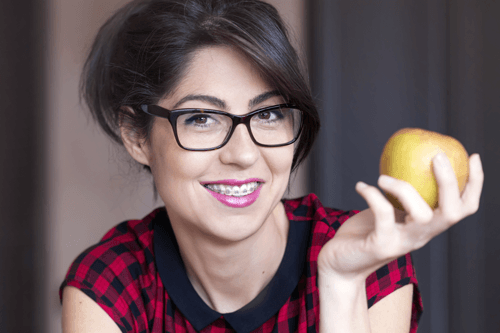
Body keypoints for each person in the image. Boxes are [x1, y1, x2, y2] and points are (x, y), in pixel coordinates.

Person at [59, 0, 484, 332]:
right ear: (137, 137)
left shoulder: (370, 257)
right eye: (202, 118)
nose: (243, 154)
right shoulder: (112, 282)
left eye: (268, 114)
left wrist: (341, 284)